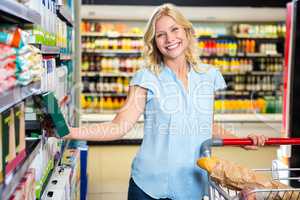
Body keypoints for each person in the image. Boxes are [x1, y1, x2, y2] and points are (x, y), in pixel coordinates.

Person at [65, 4, 267, 200]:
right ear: (154, 42)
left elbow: (207, 124)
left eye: (174, 29)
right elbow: (118, 127)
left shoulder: (208, 75)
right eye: (161, 34)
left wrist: (242, 141)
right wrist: (72, 132)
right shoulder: (146, 77)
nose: (169, 39)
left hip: (192, 185)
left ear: (187, 32)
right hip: (148, 187)